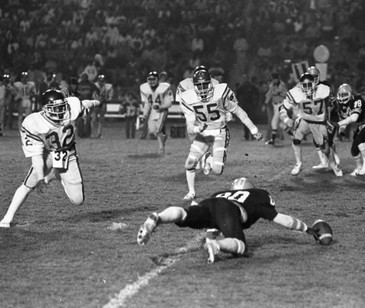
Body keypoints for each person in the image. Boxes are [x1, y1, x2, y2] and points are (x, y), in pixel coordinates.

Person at [137, 177, 327, 264]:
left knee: (185, 214)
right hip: (229, 210)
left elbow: (214, 223)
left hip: (210, 202)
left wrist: (211, 236)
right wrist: (308, 229)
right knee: (241, 247)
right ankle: (218, 246)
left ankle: (158, 217)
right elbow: (283, 220)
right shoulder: (257, 196)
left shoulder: (221, 192)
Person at [0, 90, 101, 228]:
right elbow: (36, 157)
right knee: (28, 184)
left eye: (62, 107)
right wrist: (41, 178)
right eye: (56, 108)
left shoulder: (72, 106)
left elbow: (85, 104)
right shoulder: (33, 122)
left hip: (68, 154)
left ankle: (56, 174)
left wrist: (97, 102)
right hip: (46, 155)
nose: (60, 111)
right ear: (45, 109)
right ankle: (7, 218)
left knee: (78, 200)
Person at [178, 67, 262, 201]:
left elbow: (239, 111)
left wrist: (254, 130)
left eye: (205, 84)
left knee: (217, 170)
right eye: (199, 85)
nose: (203, 88)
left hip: (219, 133)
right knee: (189, 163)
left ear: (211, 83)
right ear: (194, 86)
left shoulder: (220, 94)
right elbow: (189, 127)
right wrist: (197, 129)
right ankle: (192, 192)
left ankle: (207, 159)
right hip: (204, 134)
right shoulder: (189, 98)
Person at [279, 72, 342, 177]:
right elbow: (282, 108)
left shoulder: (323, 89)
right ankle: (298, 164)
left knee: (325, 147)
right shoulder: (296, 92)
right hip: (305, 120)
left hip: (319, 121)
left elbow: (331, 104)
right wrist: (286, 120)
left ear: (314, 83)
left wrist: (328, 119)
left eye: (310, 84)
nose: (307, 87)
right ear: (300, 85)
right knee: (296, 139)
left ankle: (333, 164)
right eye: (304, 85)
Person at [330, 83, 365, 176]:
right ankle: (359, 168)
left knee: (360, 140)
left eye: (345, 95)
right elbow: (344, 119)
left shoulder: (357, 99)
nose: (342, 98)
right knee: (354, 149)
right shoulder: (340, 106)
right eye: (341, 95)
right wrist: (341, 130)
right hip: (363, 123)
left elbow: (354, 118)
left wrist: (338, 124)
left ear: (351, 94)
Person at [139, 71, 174, 153]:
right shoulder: (144, 88)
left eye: (153, 79)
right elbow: (147, 103)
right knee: (151, 131)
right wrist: (144, 114)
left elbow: (169, 102)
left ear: (157, 79)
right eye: (149, 79)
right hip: (153, 111)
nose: (151, 81)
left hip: (163, 110)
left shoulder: (165, 87)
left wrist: (161, 107)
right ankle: (163, 137)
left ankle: (161, 148)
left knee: (158, 129)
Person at [264, 72, 287, 145]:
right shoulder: (272, 84)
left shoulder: (282, 84)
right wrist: (266, 102)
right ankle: (292, 135)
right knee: (280, 123)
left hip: (281, 104)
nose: (274, 80)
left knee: (275, 121)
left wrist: (279, 93)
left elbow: (286, 94)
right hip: (275, 105)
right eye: (273, 79)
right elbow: (269, 94)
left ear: (278, 78)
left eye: (275, 79)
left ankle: (273, 139)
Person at [236, 74, 260, 141]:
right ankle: (246, 135)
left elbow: (257, 93)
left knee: (252, 120)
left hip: (251, 105)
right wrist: (239, 103)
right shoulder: (242, 87)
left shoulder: (251, 86)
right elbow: (237, 95)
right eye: (244, 78)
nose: (245, 79)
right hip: (244, 105)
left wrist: (256, 102)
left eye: (246, 78)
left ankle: (253, 135)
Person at [76, 73, 98, 138]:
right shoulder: (79, 84)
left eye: (85, 77)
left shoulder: (90, 84)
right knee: (80, 119)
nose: (84, 78)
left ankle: (87, 134)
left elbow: (97, 90)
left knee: (88, 119)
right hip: (81, 103)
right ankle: (81, 134)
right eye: (83, 77)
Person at [92, 74, 113, 139]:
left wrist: (108, 99)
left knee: (101, 120)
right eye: (100, 81)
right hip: (96, 103)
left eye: (102, 81)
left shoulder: (107, 87)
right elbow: (93, 95)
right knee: (94, 119)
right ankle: (91, 133)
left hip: (103, 103)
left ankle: (99, 133)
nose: (101, 82)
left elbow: (110, 95)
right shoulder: (95, 86)